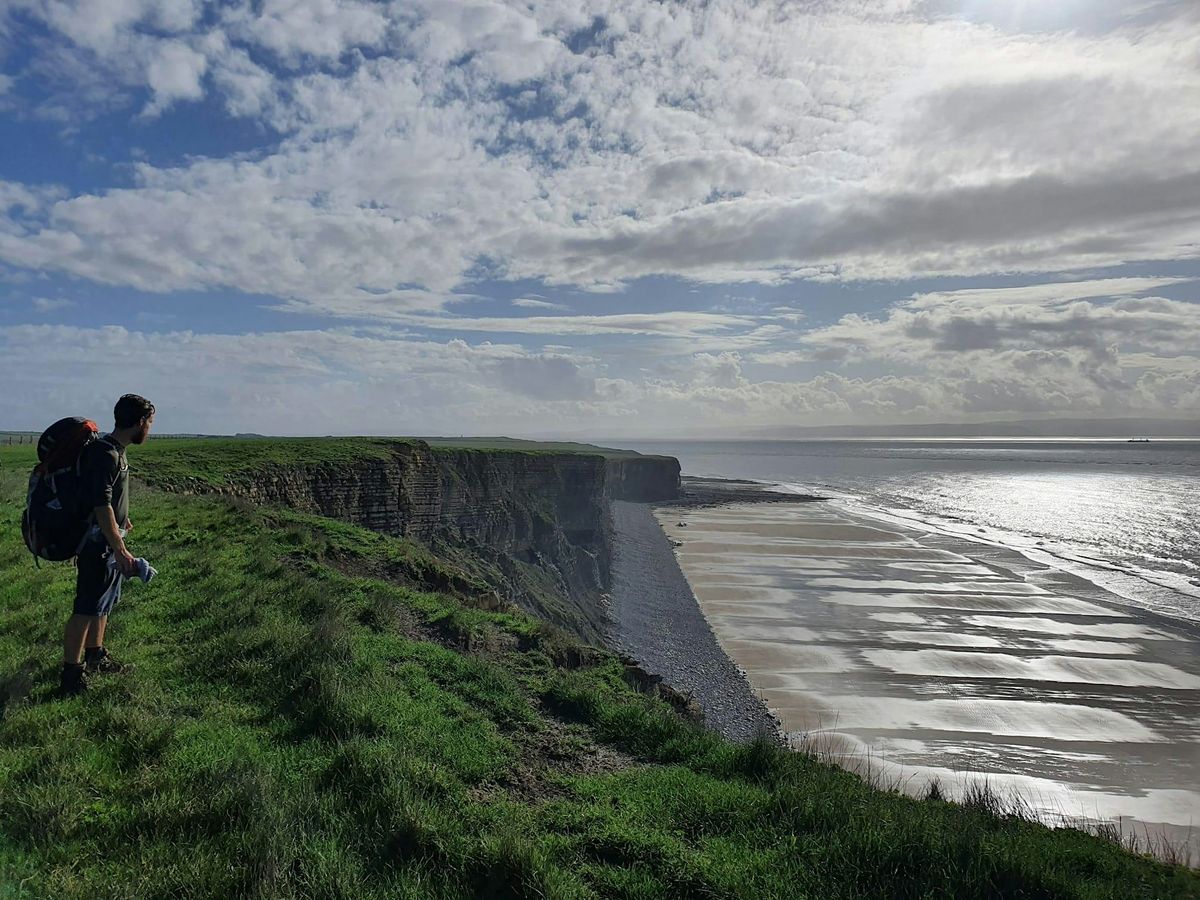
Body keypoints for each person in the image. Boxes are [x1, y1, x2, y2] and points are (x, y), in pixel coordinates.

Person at [60, 394, 155, 696]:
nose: (149, 430)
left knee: (101, 605)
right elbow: (101, 505)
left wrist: (122, 523)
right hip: (96, 544)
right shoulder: (105, 453)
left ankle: (95, 656)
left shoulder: (115, 450)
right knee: (86, 608)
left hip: (108, 539)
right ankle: (71, 675)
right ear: (140, 422)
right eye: (150, 423)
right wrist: (120, 548)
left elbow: (110, 502)